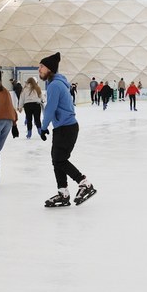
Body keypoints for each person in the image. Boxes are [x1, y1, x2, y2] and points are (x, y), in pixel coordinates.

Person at [38, 52, 96, 207]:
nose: (39, 70)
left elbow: (50, 108)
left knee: (60, 160)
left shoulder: (55, 85)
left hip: (66, 127)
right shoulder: (55, 83)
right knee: (56, 160)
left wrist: (43, 127)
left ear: (49, 69)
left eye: (41, 67)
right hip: (63, 127)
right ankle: (63, 193)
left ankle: (84, 183)